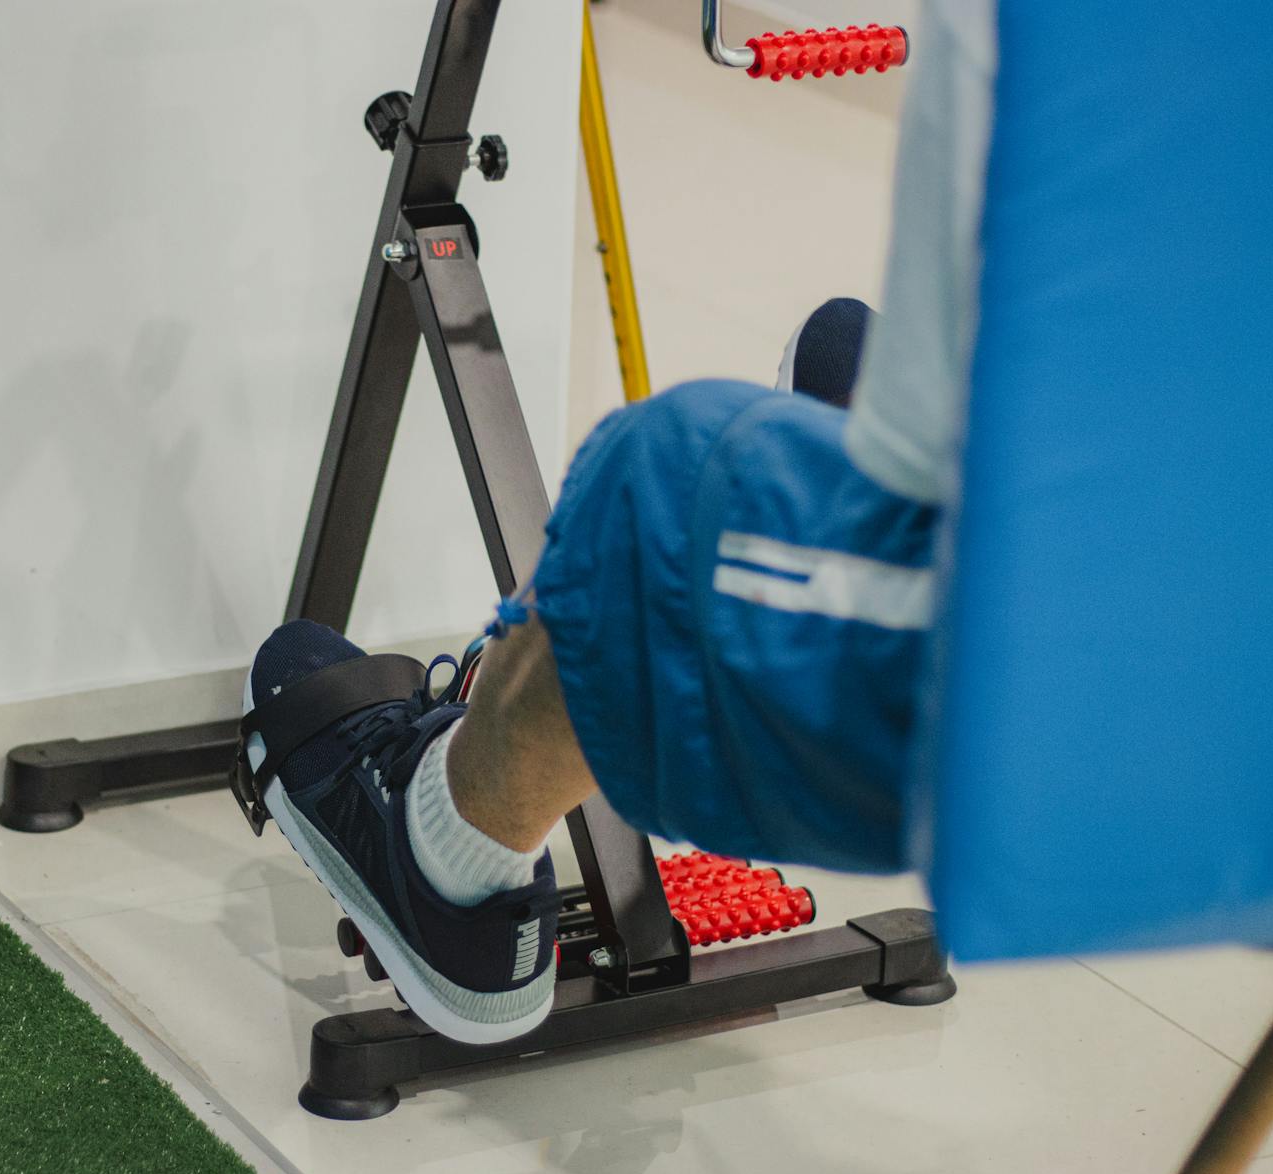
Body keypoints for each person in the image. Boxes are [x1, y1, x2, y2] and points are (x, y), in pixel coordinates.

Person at [243, 2, 996, 1043]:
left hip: (965, 737)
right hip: (1217, 767)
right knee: (846, 365)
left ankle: (443, 860)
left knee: (652, 486)